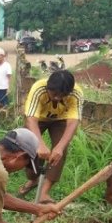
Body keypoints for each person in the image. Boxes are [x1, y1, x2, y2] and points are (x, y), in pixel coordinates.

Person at [19, 70, 83, 203]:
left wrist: (59, 147)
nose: (57, 98)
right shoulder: (38, 88)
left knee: (61, 151)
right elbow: (31, 119)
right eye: (54, 94)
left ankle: (44, 193)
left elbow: (73, 122)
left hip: (60, 120)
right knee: (29, 145)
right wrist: (40, 144)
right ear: (48, 87)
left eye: (63, 95)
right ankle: (33, 179)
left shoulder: (76, 93)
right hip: (38, 119)